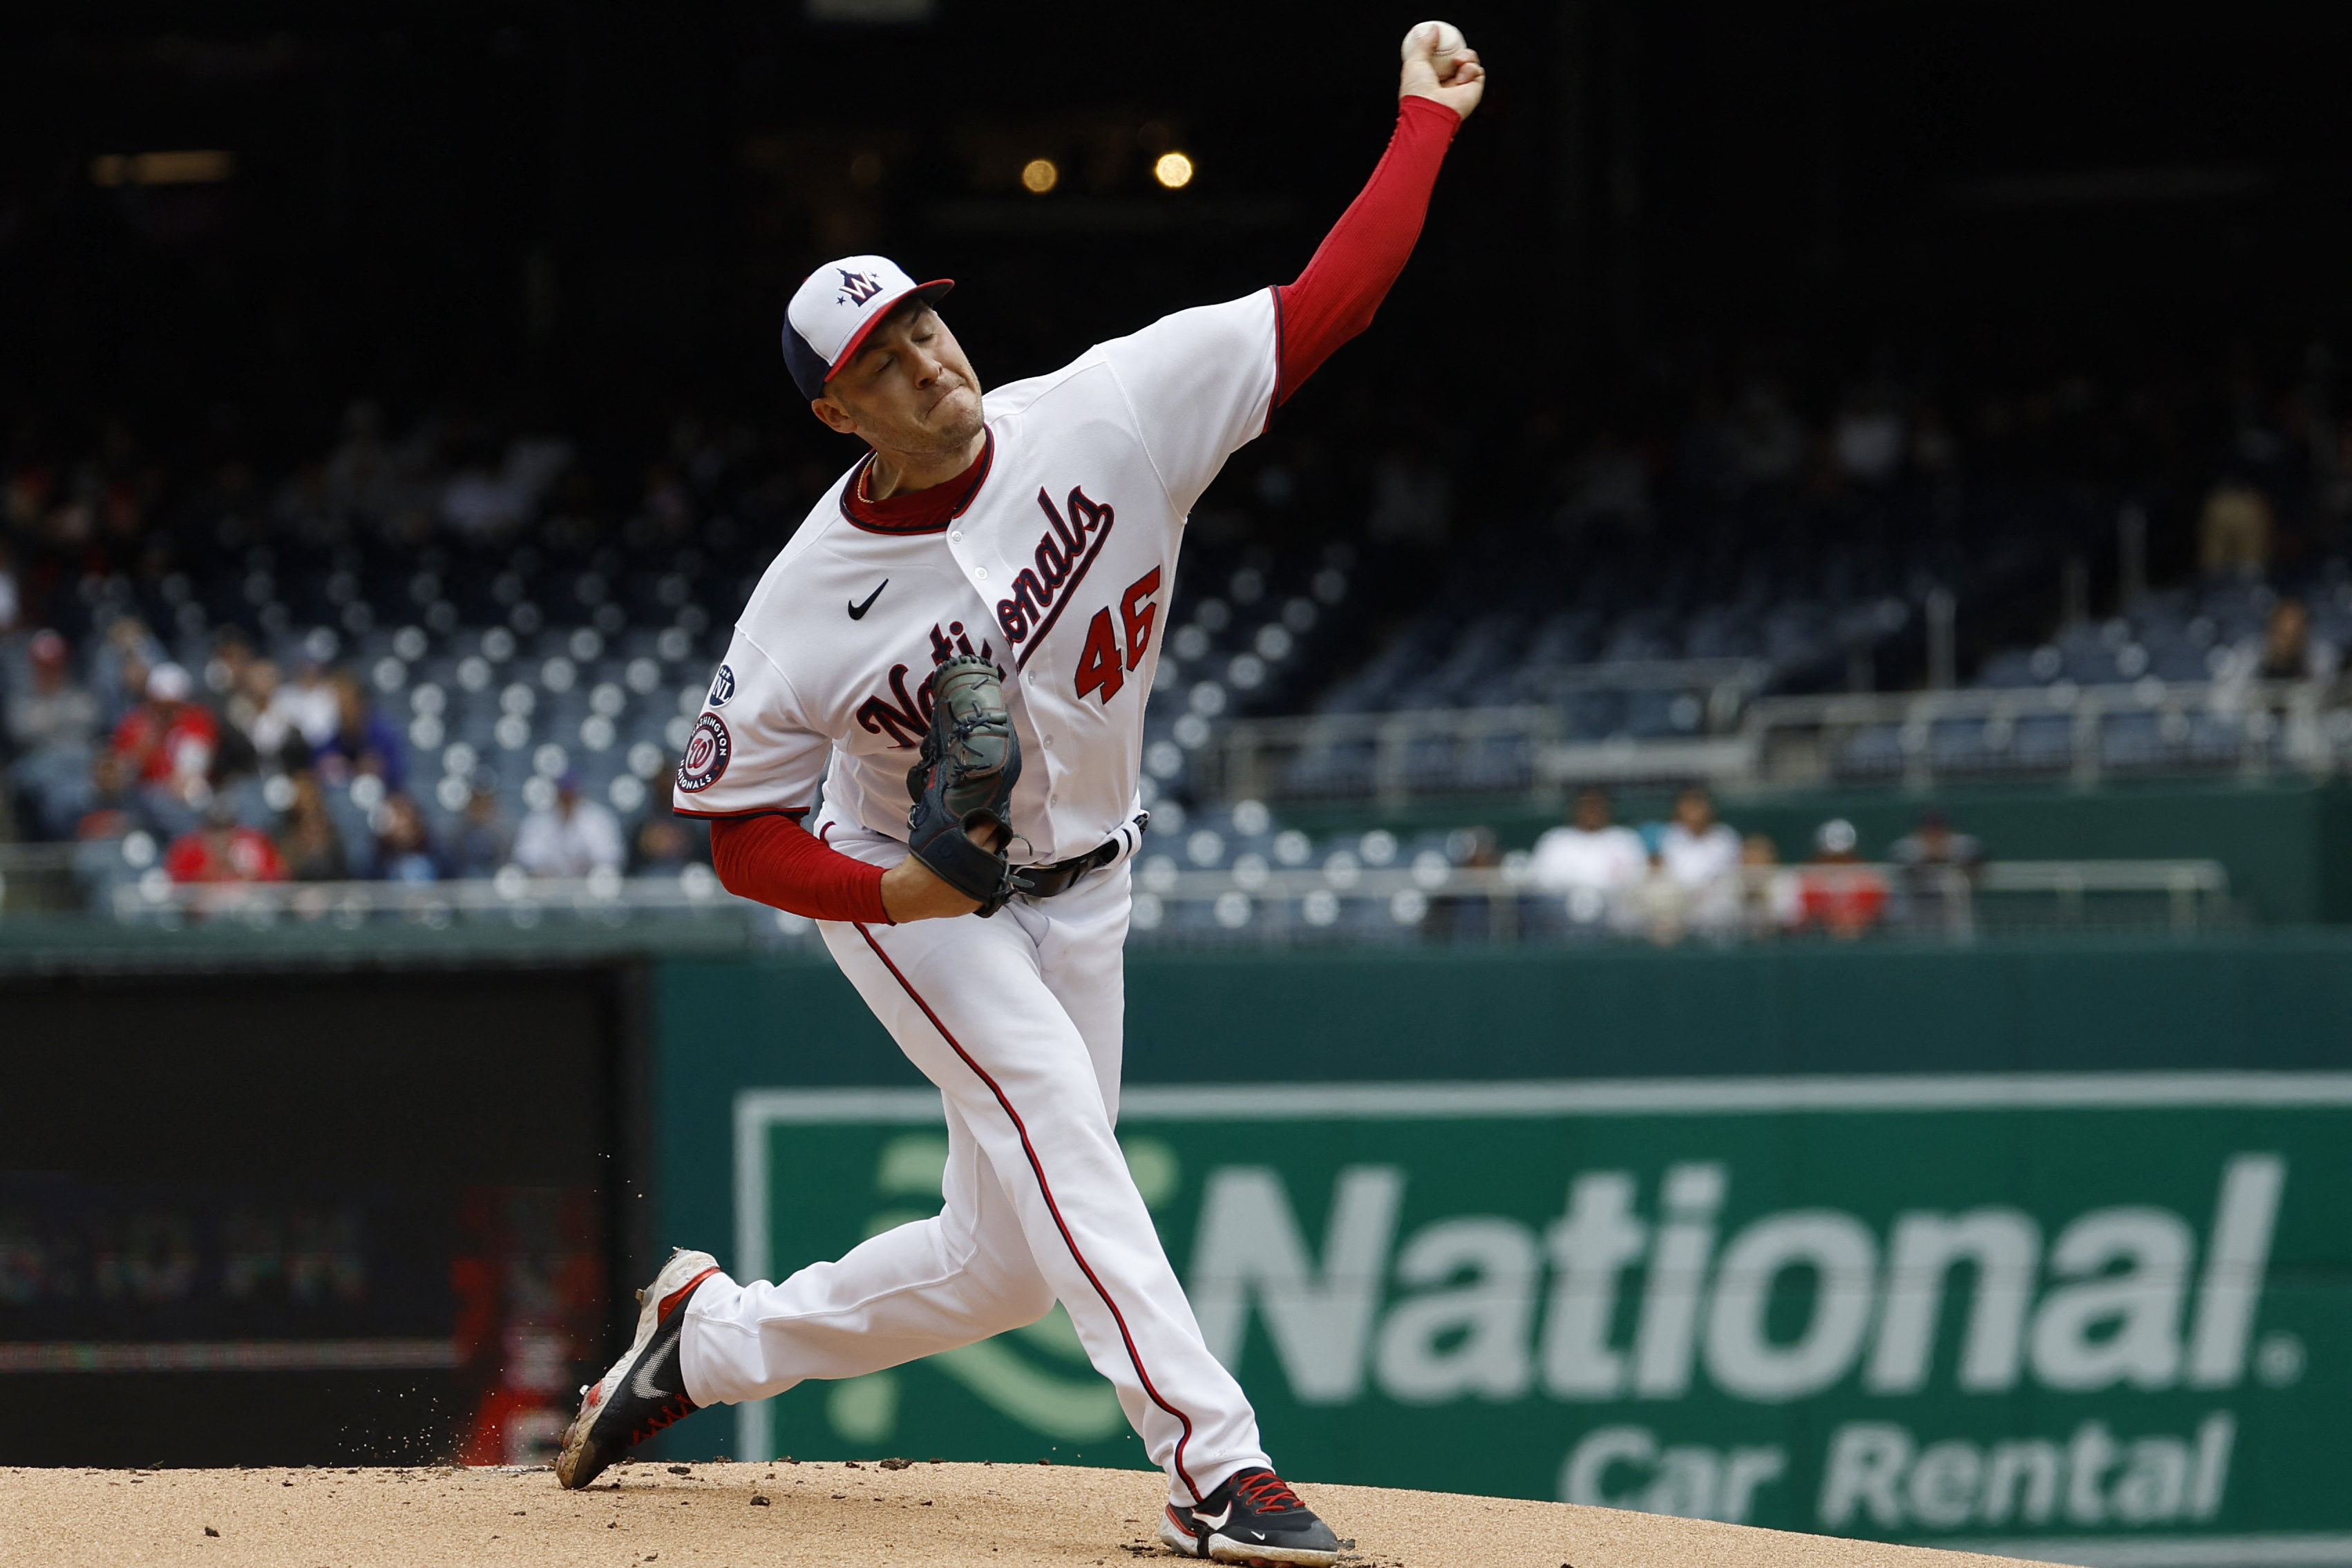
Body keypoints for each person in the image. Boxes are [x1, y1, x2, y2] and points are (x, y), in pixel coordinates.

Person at [553, 28, 1487, 1567]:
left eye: (925, 330)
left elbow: (1334, 302)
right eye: (883, 365)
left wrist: (1424, 123)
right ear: (838, 417)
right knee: (1062, 1121)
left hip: (1090, 874)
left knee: (1001, 1268)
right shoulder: (807, 606)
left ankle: (704, 1343)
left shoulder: (1110, 411)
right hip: (918, 882)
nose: (928, 365)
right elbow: (737, 833)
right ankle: (1216, 1471)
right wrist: (891, 895)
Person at [7, 630, 101, 839]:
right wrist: (64, 719)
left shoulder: (79, 694)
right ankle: (70, 839)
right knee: (57, 791)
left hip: (79, 761)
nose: (51, 672)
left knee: (92, 781)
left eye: (55, 666)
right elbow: (20, 731)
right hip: (40, 763)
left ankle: (88, 835)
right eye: (44, 667)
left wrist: (49, 720)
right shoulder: (22, 700)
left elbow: (90, 719)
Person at [1528, 785, 1647, 928]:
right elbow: (1543, 882)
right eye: (1587, 805)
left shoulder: (1625, 839)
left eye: (1597, 805)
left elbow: (1636, 880)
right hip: (1561, 917)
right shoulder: (1555, 840)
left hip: (1615, 917)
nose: (1592, 811)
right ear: (1576, 808)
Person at [1660, 783, 1742, 931]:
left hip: (1716, 903)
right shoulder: (1669, 837)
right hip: (1678, 905)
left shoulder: (1724, 837)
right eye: (1688, 804)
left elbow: (1729, 877)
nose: (1694, 810)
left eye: (1698, 804)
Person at [1890, 807, 1983, 938]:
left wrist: (1940, 857)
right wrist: (1934, 858)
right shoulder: (1908, 846)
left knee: (1954, 882)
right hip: (1919, 908)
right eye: (1930, 827)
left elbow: (1976, 862)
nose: (1935, 832)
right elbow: (1908, 869)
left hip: (1952, 909)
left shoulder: (1961, 843)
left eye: (1939, 827)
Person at [513, 772, 625, 878]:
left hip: (589, 889)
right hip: (547, 889)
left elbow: (611, 857)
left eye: (570, 793)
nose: (567, 797)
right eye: (563, 793)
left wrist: (588, 865)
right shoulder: (537, 820)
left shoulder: (599, 818)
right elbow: (525, 858)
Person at [1794, 818, 1888, 939]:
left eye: (1845, 859)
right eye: (1831, 860)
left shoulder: (1869, 880)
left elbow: (1877, 915)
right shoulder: (1806, 882)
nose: (1838, 866)